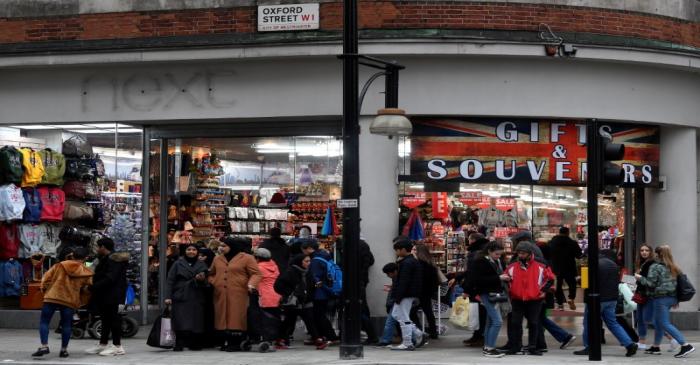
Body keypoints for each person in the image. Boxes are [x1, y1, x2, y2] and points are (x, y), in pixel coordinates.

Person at [573, 250, 638, 357]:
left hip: (597, 299)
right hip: (611, 299)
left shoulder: (593, 264)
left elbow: (587, 284)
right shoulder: (612, 263)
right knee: (613, 323)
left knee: (588, 322)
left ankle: (589, 347)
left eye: (586, 257)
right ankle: (629, 344)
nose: (585, 260)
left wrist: (579, 279)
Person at [635, 245, 695, 358]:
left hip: (660, 298)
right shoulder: (674, 267)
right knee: (658, 322)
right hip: (672, 298)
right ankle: (656, 346)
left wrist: (639, 278)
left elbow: (651, 283)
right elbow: (677, 285)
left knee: (663, 323)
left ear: (657, 254)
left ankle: (685, 345)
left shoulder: (655, 266)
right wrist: (677, 299)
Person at [32, 247, 93, 359]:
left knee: (44, 322)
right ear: (86, 258)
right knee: (66, 325)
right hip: (69, 300)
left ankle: (44, 346)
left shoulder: (59, 265)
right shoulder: (86, 272)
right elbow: (88, 289)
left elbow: (46, 279)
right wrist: (80, 298)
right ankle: (64, 350)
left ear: (73, 255)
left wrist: (45, 290)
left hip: (52, 296)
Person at [209, 237, 261, 352]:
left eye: (224, 246)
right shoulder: (217, 259)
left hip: (239, 293)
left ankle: (236, 342)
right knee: (222, 317)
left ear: (232, 246)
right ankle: (225, 341)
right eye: (220, 246)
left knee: (237, 316)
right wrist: (215, 281)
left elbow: (256, 274)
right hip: (221, 293)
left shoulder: (247, 258)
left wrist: (251, 285)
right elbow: (211, 273)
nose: (221, 248)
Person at [504, 241, 554, 356]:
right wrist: (510, 291)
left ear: (529, 253)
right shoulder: (512, 266)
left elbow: (550, 278)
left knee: (533, 323)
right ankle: (516, 346)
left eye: (523, 253)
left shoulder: (541, 264)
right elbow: (506, 279)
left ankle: (532, 347)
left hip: (535, 299)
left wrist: (542, 291)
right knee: (516, 323)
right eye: (519, 253)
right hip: (517, 299)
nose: (520, 255)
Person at [464, 241, 510, 358]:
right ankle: (489, 348)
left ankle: (488, 346)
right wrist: (499, 277)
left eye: (500, 254)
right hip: (487, 293)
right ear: (489, 251)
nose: (498, 256)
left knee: (490, 321)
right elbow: (477, 279)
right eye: (496, 254)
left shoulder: (497, 261)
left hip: (495, 294)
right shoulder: (480, 262)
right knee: (497, 321)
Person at [85, 238, 130, 357]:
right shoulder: (104, 259)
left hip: (117, 297)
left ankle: (117, 346)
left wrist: (92, 287)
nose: (96, 249)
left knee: (116, 320)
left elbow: (110, 278)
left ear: (103, 247)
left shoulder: (114, 260)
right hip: (106, 296)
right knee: (105, 320)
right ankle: (103, 344)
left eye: (98, 247)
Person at [164, 243, 209, 351]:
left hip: (196, 294)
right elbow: (170, 280)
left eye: (194, 250)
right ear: (185, 251)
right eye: (189, 249)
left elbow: (207, 282)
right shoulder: (177, 264)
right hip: (180, 294)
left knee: (196, 319)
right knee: (180, 318)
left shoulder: (202, 264)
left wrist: (202, 279)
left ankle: (194, 342)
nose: (191, 252)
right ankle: (179, 342)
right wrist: (168, 296)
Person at [274, 254, 322, 349]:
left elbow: (309, 285)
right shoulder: (290, 271)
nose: (309, 263)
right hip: (294, 302)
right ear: (300, 262)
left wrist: (315, 286)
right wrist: (290, 293)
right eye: (306, 261)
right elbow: (278, 285)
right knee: (289, 322)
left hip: (305, 301)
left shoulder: (307, 272)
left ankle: (318, 340)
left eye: (309, 261)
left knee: (309, 321)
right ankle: (280, 340)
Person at [390, 238, 425, 351]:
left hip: (405, 294)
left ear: (403, 250)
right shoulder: (411, 261)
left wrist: (398, 296)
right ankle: (418, 333)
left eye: (397, 250)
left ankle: (407, 342)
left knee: (403, 317)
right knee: (396, 314)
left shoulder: (407, 263)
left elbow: (403, 281)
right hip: (408, 294)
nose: (396, 252)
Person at [459, 232, 490, 347]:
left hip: (476, 288)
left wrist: (467, 289)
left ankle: (479, 336)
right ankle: (478, 335)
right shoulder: (486, 250)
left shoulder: (475, 253)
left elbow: (472, 273)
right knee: (482, 313)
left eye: (469, 239)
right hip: (484, 287)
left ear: (473, 241)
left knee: (478, 313)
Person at [308, 248, 340, 346]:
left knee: (319, 316)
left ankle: (330, 336)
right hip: (327, 292)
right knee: (320, 315)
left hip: (319, 292)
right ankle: (322, 336)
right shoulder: (327, 260)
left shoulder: (315, 261)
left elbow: (315, 277)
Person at [549, 227, 582, 311]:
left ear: (559, 232)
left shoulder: (552, 242)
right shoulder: (572, 243)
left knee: (558, 286)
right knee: (572, 284)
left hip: (556, 268)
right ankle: (571, 298)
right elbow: (579, 255)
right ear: (568, 233)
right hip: (569, 268)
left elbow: (548, 254)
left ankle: (560, 304)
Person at [412, 243, 439, 340]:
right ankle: (433, 332)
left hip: (421, 292)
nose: (413, 251)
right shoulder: (430, 263)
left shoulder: (419, 264)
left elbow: (420, 279)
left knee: (412, 311)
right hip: (427, 292)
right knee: (428, 312)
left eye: (415, 250)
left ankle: (419, 331)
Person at [197, 247, 220, 348]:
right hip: (199, 296)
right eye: (199, 255)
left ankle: (210, 340)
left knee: (210, 317)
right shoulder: (196, 265)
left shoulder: (215, 266)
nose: (200, 258)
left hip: (212, 296)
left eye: (203, 256)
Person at [359, 238, 378, 344]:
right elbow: (371, 260)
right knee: (363, 309)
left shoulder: (350, 245)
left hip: (355, 281)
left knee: (360, 310)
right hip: (362, 280)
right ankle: (371, 334)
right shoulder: (364, 245)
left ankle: (371, 335)